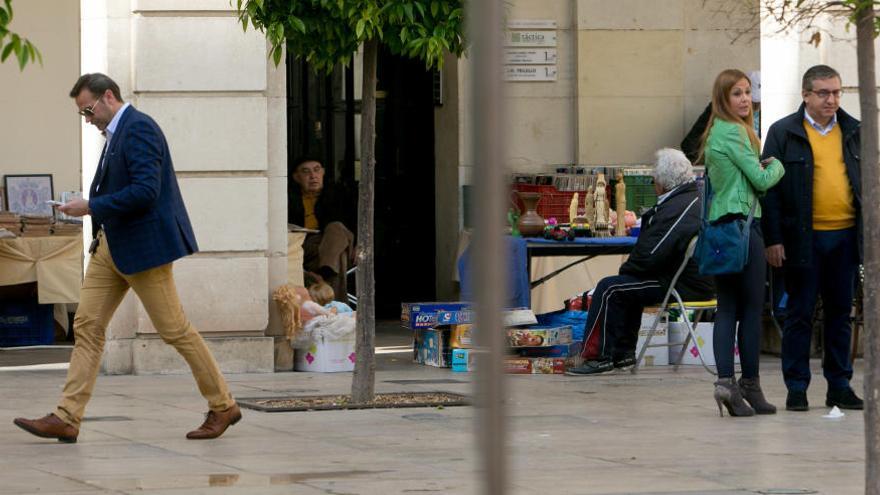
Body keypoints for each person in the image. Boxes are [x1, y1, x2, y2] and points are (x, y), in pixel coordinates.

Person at [13, 73, 240, 443]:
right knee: (86, 327)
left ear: (108, 97)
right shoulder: (117, 133)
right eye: (82, 113)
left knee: (174, 330)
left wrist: (90, 206)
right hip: (110, 247)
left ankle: (223, 405)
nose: (87, 119)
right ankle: (67, 416)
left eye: (88, 110)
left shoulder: (138, 129)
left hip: (144, 249)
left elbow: (146, 191)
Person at [761, 65, 863, 412]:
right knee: (799, 314)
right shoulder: (783, 132)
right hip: (801, 240)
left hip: (846, 237)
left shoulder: (854, 131)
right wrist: (773, 239)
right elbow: (769, 192)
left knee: (840, 314)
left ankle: (839, 385)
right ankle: (797, 388)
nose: (831, 100)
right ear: (805, 94)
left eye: (836, 92)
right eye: (823, 93)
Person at [566, 148, 714, 375]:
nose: (653, 183)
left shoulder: (681, 206)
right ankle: (622, 354)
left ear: (663, 182)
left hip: (681, 284)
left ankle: (597, 357)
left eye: (654, 179)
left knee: (610, 287)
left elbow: (651, 253)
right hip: (682, 277)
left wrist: (628, 268)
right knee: (626, 283)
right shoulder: (687, 198)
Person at [701, 69, 784, 417]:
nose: (745, 99)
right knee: (750, 310)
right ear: (723, 99)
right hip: (744, 228)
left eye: (748, 92)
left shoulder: (716, 134)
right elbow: (762, 180)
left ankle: (726, 384)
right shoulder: (735, 132)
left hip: (721, 229)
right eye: (736, 93)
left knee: (727, 308)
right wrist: (776, 163)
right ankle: (750, 384)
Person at [288, 157, 354, 301]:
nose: (313, 176)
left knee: (335, 228)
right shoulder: (289, 199)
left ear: (323, 172)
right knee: (339, 257)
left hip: (334, 241)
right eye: (306, 172)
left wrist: (361, 246)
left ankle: (323, 276)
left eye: (317, 170)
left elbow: (353, 223)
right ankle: (336, 304)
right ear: (296, 177)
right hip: (305, 247)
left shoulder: (337, 194)